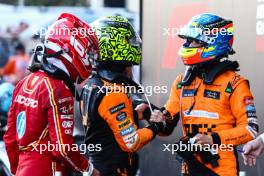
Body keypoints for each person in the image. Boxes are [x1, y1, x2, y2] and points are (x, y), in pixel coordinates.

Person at [150, 13, 259, 176]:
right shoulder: (182, 81)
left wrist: (214, 139)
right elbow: (166, 128)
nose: (187, 45)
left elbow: (251, 129)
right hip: (189, 167)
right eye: (187, 40)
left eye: (193, 41)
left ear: (213, 43)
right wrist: (157, 118)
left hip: (221, 170)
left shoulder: (235, 83)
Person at [4, 13, 100, 176]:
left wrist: (17, 170)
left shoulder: (24, 82)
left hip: (23, 169)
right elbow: (63, 149)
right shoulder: (59, 89)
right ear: (72, 49)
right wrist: (90, 170)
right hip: (49, 169)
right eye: (87, 53)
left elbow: (10, 139)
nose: (90, 60)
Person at [80, 16, 163, 176]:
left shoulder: (93, 83)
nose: (134, 44)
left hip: (98, 166)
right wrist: (155, 126)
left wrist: (132, 113)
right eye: (128, 39)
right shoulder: (112, 91)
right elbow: (131, 142)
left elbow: (102, 125)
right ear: (114, 43)